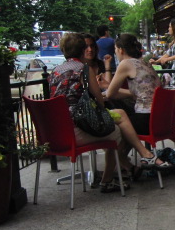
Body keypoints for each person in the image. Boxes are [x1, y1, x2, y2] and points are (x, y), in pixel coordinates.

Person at [49, 33, 167, 193]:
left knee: (118, 120)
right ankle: (109, 179)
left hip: (57, 132)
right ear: (83, 50)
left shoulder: (54, 72)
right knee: (116, 132)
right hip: (77, 129)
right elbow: (99, 100)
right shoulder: (84, 69)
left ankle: (129, 168)